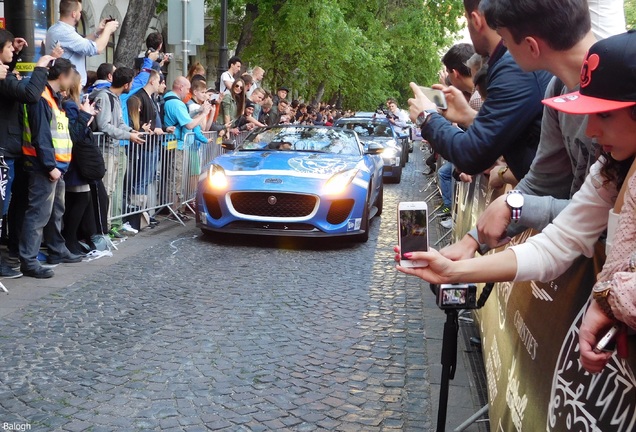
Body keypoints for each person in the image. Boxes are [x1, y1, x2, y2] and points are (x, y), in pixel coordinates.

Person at [395, 31, 636, 374]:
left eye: (606, 115)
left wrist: (608, 299)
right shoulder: (610, 169)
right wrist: (455, 270)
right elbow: (557, 243)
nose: (592, 130)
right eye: (589, 113)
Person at [442, 0, 599, 260]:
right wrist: (473, 240)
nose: (500, 53)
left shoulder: (624, 90)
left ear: (531, 46)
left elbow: (607, 215)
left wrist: (514, 206)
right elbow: (543, 182)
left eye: (503, 40)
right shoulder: (557, 90)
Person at [408, 0, 551, 182]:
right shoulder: (509, 62)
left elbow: (471, 155)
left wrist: (426, 117)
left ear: (475, 20)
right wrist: (469, 116)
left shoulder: (513, 66)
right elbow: (509, 131)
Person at [0, 29, 56, 278]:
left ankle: (13, 254)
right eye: (10, 47)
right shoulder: (3, 78)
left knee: (8, 207)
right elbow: (30, 94)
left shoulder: (5, 73)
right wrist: (42, 65)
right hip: (4, 151)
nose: (14, 51)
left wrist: (15, 57)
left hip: (9, 151)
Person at [20, 58, 80, 278]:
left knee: (54, 212)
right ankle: (29, 260)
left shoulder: (53, 99)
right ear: (62, 76)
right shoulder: (43, 99)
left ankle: (56, 249)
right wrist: (50, 166)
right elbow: (41, 136)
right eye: (71, 76)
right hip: (46, 166)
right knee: (39, 214)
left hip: (55, 166)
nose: (72, 82)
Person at [92, 67, 145, 237]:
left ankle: (107, 225)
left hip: (113, 149)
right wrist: (128, 135)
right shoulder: (104, 97)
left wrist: (131, 131)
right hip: (105, 150)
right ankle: (103, 228)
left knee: (111, 189)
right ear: (127, 84)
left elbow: (119, 123)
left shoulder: (115, 97)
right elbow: (104, 125)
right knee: (106, 189)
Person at [62, 69, 101, 256]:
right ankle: (70, 239)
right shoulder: (69, 105)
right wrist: (85, 115)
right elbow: (75, 133)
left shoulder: (74, 104)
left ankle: (73, 239)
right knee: (78, 200)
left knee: (81, 200)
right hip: (75, 160)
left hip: (79, 160)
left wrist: (88, 115)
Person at [163, 76, 213, 215]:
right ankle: (175, 210)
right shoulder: (176, 103)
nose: (188, 92)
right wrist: (203, 113)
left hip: (177, 144)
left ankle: (176, 208)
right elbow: (190, 124)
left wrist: (199, 111)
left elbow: (187, 118)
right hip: (177, 145)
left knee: (177, 178)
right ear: (180, 87)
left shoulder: (171, 100)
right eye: (187, 88)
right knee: (176, 179)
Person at [45, 0, 119, 85]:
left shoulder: (56, 29)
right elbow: (96, 48)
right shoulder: (64, 32)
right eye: (80, 11)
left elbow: (81, 43)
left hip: (69, 86)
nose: (80, 14)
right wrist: (108, 30)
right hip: (69, 88)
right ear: (74, 14)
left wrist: (97, 32)